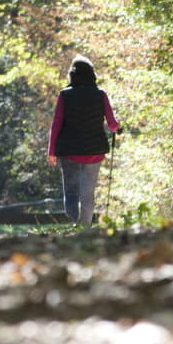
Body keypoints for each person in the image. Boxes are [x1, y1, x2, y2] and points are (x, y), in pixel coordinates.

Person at [46, 55, 121, 227]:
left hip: (70, 151)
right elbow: (112, 124)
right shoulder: (100, 95)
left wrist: (51, 151)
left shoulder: (65, 95)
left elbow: (56, 125)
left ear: (72, 75)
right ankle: (85, 228)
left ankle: (73, 225)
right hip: (94, 151)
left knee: (71, 193)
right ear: (92, 75)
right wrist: (118, 128)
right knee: (88, 194)